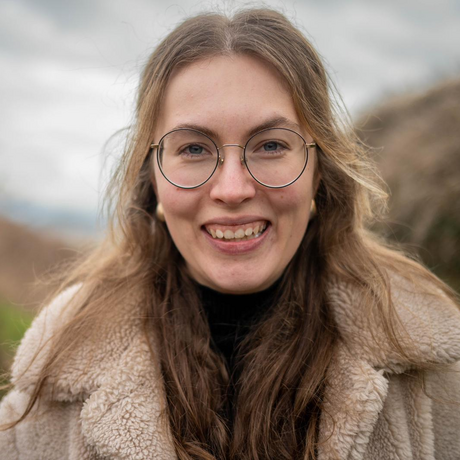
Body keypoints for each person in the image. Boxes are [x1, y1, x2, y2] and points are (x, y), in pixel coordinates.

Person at [1, 8, 460, 460]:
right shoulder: (53, 386)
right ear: (152, 175)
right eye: (194, 149)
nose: (233, 189)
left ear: (319, 169)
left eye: (271, 145)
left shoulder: (433, 374)